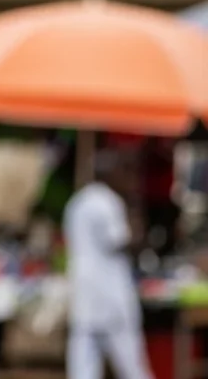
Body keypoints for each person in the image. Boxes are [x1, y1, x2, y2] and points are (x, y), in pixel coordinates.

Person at [64, 147, 152, 379]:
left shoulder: (77, 201)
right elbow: (120, 241)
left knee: (83, 362)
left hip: (85, 292)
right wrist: (137, 220)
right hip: (110, 294)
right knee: (130, 363)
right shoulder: (107, 202)